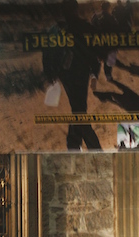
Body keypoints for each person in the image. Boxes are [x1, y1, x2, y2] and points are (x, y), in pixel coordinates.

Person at [42, 0, 102, 151]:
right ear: (76, 10)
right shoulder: (83, 27)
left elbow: (47, 53)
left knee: (78, 108)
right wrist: (94, 74)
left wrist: (50, 74)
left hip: (68, 74)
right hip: (77, 74)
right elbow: (96, 53)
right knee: (79, 109)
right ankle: (88, 146)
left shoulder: (57, 29)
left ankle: (74, 143)